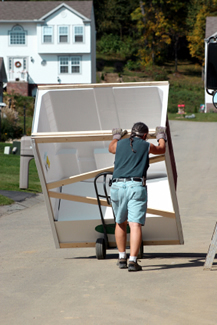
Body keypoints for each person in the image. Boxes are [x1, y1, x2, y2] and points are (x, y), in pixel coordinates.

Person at [108, 122, 167, 272]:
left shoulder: (120, 144)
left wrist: (116, 136)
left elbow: (111, 148)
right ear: (145, 135)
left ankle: (122, 258)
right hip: (136, 186)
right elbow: (161, 149)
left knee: (120, 222)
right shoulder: (146, 145)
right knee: (135, 224)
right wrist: (161, 136)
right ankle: (133, 261)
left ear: (131, 134)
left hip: (117, 186)